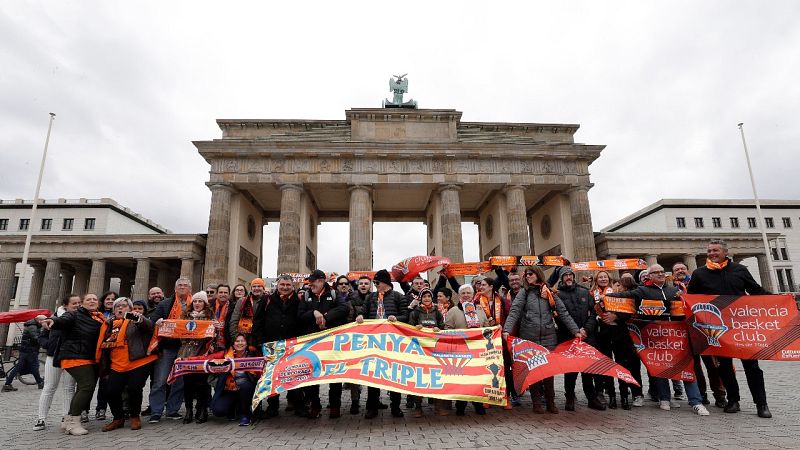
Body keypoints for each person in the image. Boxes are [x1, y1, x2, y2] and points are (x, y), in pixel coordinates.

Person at [608, 264, 710, 416]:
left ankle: (696, 401)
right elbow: (626, 297)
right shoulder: (642, 291)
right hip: (654, 335)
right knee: (659, 365)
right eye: (657, 272)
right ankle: (664, 398)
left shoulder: (674, 291)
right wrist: (605, 297)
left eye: (662, 272)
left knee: (686, 367)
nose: (661, 274)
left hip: (676, 336)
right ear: (649, 276)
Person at [688, 239, 771, 418]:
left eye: (715, 250)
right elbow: (692, 299)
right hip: (718, 328)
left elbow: (755, 291)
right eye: (709, 251)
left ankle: (761, 404)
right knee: (724, 367)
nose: (711, 253)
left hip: (742, 326)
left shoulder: (739, 270)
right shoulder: (699, 273)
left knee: (752, 367)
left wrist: (780, 301)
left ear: (725, 252)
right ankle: (733, 400)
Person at [503, 266, 582, 414]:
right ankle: (537, 402)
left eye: (530, 274)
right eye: (526, 275)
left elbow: (563, 312)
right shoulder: (524, 292)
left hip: (548, 336)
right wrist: (506, 329)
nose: (527, 277)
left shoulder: (549, 292)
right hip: (529, 336)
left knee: (547, 371)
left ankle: (550, 401)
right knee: (534, 369)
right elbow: (514, 311)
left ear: (538, 274)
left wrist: (575, 330)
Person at [40, 293, 105, 436]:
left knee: (85, 387)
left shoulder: (98, 317)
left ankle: (68, 420)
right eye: (89, 299)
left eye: (95, 299)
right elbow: (63, 320)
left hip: (88, 357)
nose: (92, 301)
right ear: (82, 304)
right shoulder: (75, 314)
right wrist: (52, 320)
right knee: (87, 385)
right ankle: (73, 422)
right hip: (75, 356)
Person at [95, 297, 157, 432]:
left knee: (134, 389)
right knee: (111, 391)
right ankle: (118, 418)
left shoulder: (134, 319)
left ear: (129, 309)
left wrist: (138, 318)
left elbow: (147, 325)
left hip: (138, 361)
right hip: (117, 363)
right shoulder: (109, 323)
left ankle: (135, 416)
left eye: (124, 306)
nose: (120, 308)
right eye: (117, 306)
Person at [355, 269, 409, 419]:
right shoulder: (371, 297)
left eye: (377, 282)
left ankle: (396, 406)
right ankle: (372, 406)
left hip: (393, 342)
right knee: (373, 374)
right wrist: (359, 316)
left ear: (385, 283)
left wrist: (396, 318)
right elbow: (364, 313)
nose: (375, 285)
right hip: (374, 341)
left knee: (394, 374)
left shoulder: (398, 297)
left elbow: (406, 316)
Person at [298, 269, 350, 419]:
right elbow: (300, 316)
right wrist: (313, 313)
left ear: (321, 281)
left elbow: (344, 308)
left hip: (331, 342)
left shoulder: (334, 294)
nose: (310, 284)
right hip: (312, 342)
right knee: (313, 375)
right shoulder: (306, 295)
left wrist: (326, 318)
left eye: (313, 281)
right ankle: (315, 405)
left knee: (335, 375)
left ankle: (335, 406)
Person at [251, 274, 305, 418]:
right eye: (282, 285)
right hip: (271, 345)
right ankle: (272, 406)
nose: (285, 288)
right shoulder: (266, 299)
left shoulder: (299, 300)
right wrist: (260, 341)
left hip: (293, 345)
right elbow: (257, 321)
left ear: (293, 286)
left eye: (288, 285)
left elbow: (303, 321)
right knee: (272, 376)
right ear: (277, 285)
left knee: (295, 375)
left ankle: (298, 404)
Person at [590, 271, 643, 410]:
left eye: (605, 277)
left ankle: (624, 396)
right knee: (607, 365)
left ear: (609, 279)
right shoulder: (592, 294)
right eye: (600, 277)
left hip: (619, 332)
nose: (603, 279)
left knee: (622, 364)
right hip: (602, 333)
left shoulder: (618, 291)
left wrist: (616, 316)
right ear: (596, 280)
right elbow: (590, 311)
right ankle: (612, 396)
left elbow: (629, 310)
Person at [554, 267, 604, 411]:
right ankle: (569, 396)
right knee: (570, 370)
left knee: (588, 369)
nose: (568, 277)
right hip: (568, 337)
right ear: (561, 278)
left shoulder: (584, 292)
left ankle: (591, 397)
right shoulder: (558, 294)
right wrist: (574, 331)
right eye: (565, 275)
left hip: (587, 336)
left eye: (570, 275)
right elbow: (560, 318)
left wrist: (586, 330)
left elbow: (593, 313)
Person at [148, 277, 193, 423]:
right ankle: (156, 411)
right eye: (179, 285)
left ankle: (172, 410)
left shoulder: (195, 304)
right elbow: (152, 320)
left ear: (189, 288)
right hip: (168, 347)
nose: (182, 287)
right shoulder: (165, 303)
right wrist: (158, 322)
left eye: (185, 285)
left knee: (179, 381)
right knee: (160, 380)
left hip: (185, 348)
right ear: (175, 287)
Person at [33, 294, 80, 431]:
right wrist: (49, 345)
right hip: (53, 356)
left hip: (70, 356)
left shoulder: (79, 318)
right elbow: (42, 336)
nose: (77, 305)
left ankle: (66, 417)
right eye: (74, 303)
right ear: (65, 305)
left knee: (69, 387)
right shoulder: (54, 316)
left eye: (79, 303)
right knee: (49, 387)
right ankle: (41, 418)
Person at [444, 284, 488, 416]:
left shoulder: (480, 310)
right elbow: (447, 329)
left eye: (469, 293)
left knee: (477, 379)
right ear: (459, 295)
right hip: (460, 351)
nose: (466, 295)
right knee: (461, 379)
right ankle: (460, 405)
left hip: (477, 351)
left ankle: (478, 404)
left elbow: (486, 328)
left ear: (473, 294)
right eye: (463, 293)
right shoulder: (453, 311)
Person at [176, 291, 214, 424]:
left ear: (205, 304)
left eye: (200, 301)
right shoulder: (185, 318)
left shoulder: (210, 318)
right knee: (187, 383)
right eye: (195, 301)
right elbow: (179, 334)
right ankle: (188, 410)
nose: (197, 304)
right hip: (187, 352)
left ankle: (202, 408)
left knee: (202, 383)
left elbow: (214, 337)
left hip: (202, 352)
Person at [407, 288, 443, 417]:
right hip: (420, 350)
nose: (427, 298)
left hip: (434, 349)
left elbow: (443, 327)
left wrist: (438, 328)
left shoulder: (437, 312)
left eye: (429, 296)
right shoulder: (415, 313)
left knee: (435, 377)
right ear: (420, 298)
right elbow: (409, 328)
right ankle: (418, 407)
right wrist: (415, 328)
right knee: (419, 378)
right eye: (424, 296)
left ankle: (438, 406)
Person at [210, 334, 259, 426]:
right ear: (233, 343)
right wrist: (185, 359)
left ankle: (244, 414)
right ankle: (233, 408)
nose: (240, 343)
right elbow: (205, 359)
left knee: (244, 385)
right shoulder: (225, 354)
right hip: (229, 389)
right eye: (237, 341)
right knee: (218, 411)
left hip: (246, 388)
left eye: (242, 341)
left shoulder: (253, 353)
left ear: (246, 343)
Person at [346, 275, 372, 415]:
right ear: (357, 286)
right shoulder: (351, 300)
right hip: (355, 339)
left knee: (372, 371)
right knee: (355, 371)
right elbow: (348, 318)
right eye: (361, 283)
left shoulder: (374, 298)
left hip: (371, 339)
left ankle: (373, 401)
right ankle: (355, 401)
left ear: (370, 285)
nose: (363, 285)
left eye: (366, 283)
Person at [3, 317, 44, 392]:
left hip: (27, 350)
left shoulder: (32, 325)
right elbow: (35, 338)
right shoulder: (33, 327)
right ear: (39, 320)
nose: (44, 323)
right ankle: (40, 382)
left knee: (21, 367)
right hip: (29, 350)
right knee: (33, 367)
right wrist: (43, 340)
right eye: (43, 321)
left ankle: (7, 384)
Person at [94, 291, 118, 421]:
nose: (110, 301)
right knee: (89, 384)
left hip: (109, 353)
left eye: (113, 299)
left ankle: (101, 409)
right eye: (107, 299)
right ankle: (84, 410)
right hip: (94, 351)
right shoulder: (95, 314)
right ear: (103, 301)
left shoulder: (119, 315)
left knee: (104, 383)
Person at [229, 278, 266, 345]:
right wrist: (236, 337)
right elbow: (234, 320)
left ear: (263, 288)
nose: (256, 288)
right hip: (245, 339)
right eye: (254, 286)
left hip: (264, 340)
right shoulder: (242, 301)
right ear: (251, 289)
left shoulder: (269, 301)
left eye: (259, 286)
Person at [212, 285, 234, 352]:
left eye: (225, 292)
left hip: (228, 341)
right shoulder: (210, 306)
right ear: (217, 294)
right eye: (221, 292)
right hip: (212, 342)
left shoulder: (234, 307)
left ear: (229, 294)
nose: (223, 294)